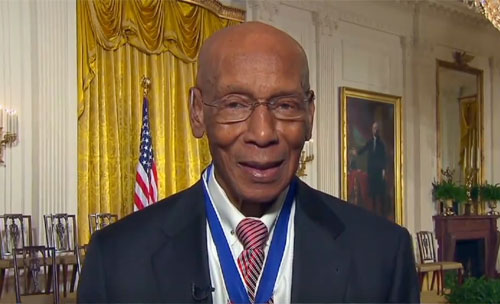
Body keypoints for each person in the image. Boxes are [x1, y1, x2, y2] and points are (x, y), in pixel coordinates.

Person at [78, 22, 419, 303]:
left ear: (310, 115)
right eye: (235, 105)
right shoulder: (117, 262)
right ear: (198, 112)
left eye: (285, 105)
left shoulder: (383, 256)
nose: (262, 133)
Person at [353, 122, 389, 217]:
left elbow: (384, 157)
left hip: (378, 171)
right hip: (371, 170)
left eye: (376, 128)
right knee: (372, 192)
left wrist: (383, 170)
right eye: (373, 128)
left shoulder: (381, 144)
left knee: (379, 192)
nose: (375, 130)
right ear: (372, 130)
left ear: (378, 130)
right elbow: (364, 149)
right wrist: (356, 152)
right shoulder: (370, 142)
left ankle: (381, 213)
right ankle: (373, 213)